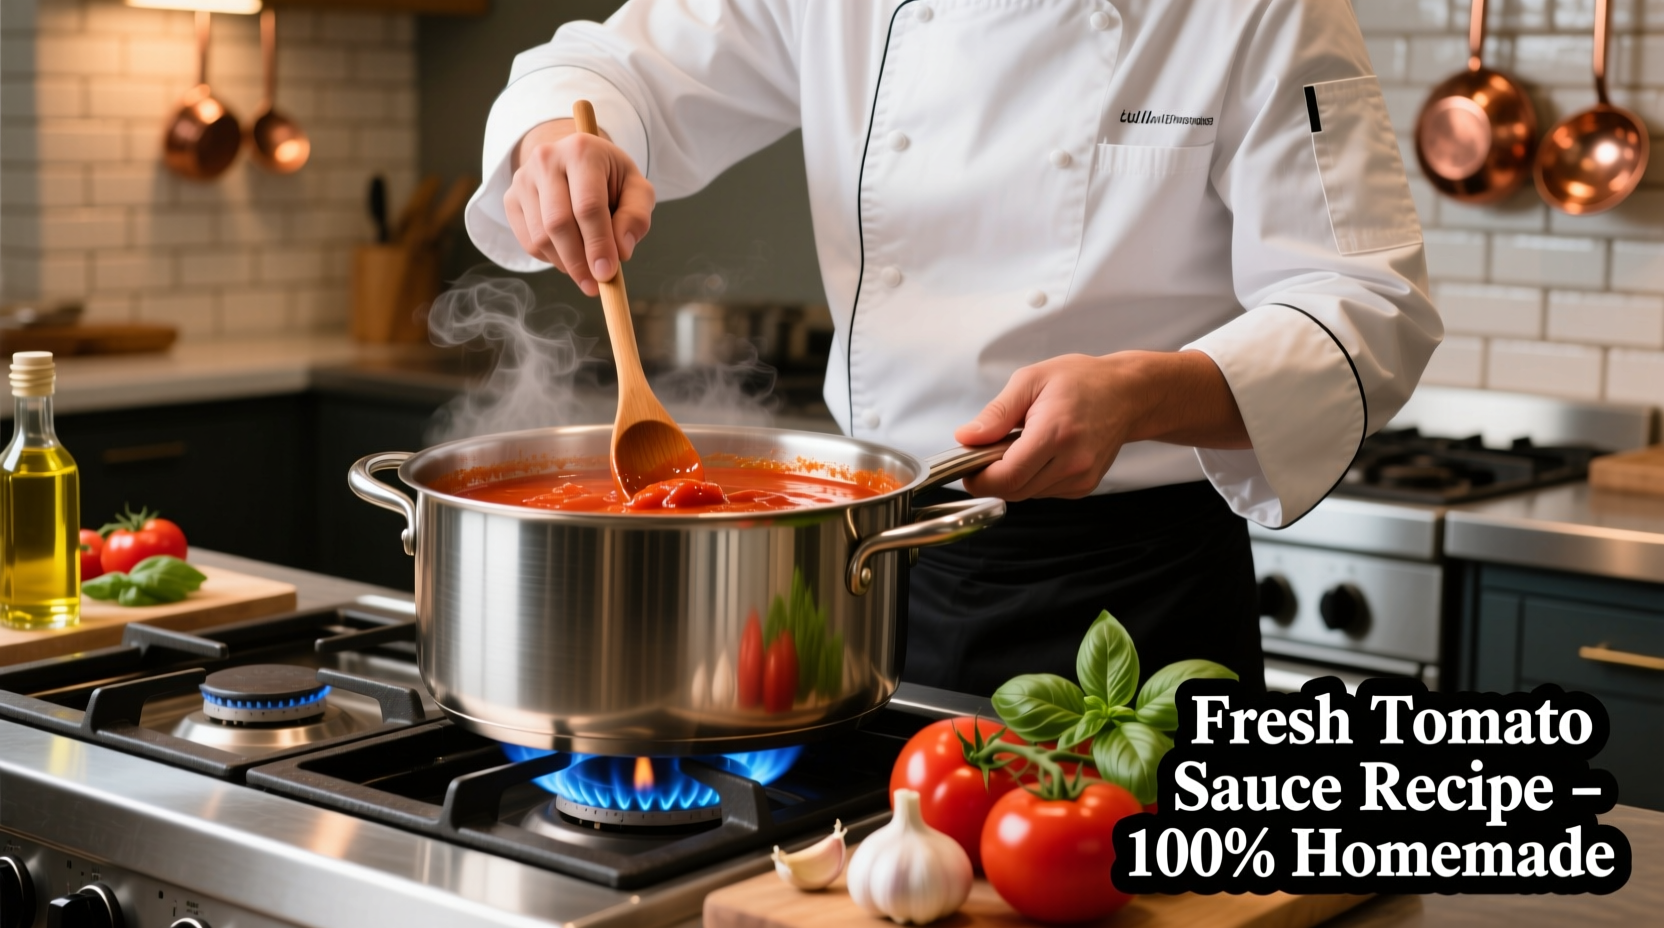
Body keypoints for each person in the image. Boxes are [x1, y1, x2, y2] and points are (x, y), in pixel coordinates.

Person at [463, 0, 1442, 695]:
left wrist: (1141, 393)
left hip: (1130, 597)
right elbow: (615, 66)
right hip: (866, 571)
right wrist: (556, 143)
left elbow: (1368, 305)